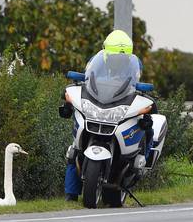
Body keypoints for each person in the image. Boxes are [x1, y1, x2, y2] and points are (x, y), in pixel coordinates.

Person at [59, 30, 156, 202]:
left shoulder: (135, 65)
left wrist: (145, 99)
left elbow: (137, 84)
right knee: (74, 151)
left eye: (122, 58)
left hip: (121, 103)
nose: (117, 61)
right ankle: (71, 195)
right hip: (97, 104)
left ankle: (143, 163)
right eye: (114, 57)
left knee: (149, 129)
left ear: (128, 56)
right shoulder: (96, 63)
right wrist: (70, 100)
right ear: (106, 52)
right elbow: (87, 78)